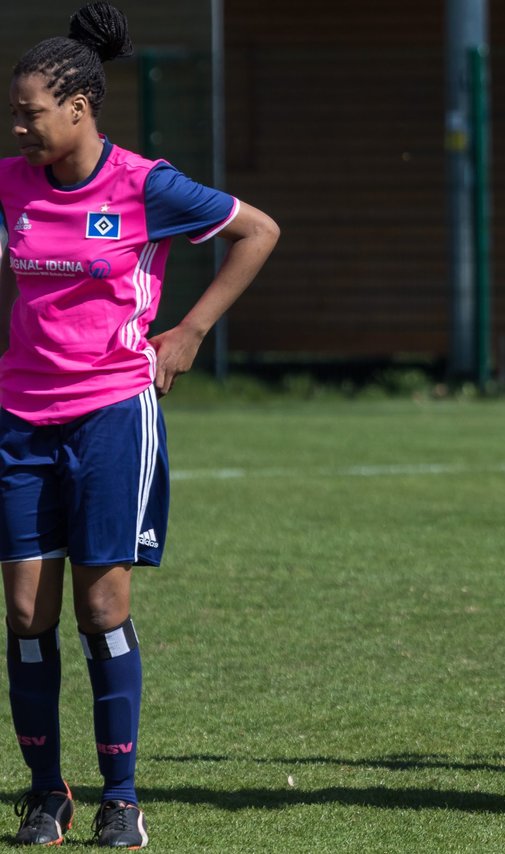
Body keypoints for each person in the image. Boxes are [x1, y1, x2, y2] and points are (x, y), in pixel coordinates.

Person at [0, 4, 279, 847]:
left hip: (115, 411)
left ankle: (122, 796)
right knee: (23, 614)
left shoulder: (144, 184)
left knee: (102, 603)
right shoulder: (9, 183)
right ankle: (48, 792)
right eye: (15, 113)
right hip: (20, 415)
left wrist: (190, 331)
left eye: (31, 113)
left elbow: (257, 232)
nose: (19, 127)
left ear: (80, 108)